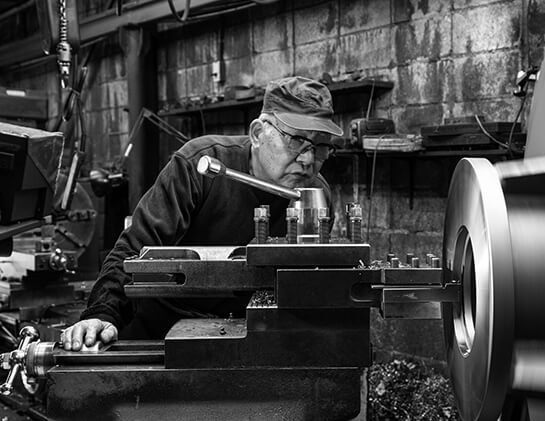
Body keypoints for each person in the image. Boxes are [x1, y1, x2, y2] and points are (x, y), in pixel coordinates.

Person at [61, 76, 343, 351]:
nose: (308, 159)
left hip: (252, 336)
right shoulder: (201, 165)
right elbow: (134, 247)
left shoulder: (315, 195)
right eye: (296, 141)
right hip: (164, 331)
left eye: (321, 146)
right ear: (258, 134)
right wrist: (102, 313)